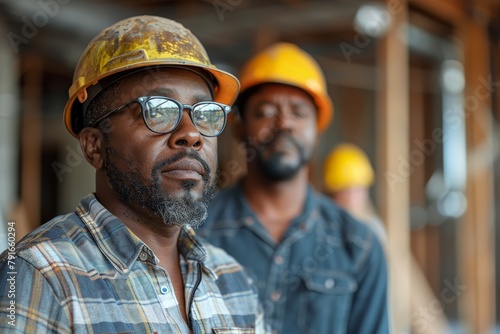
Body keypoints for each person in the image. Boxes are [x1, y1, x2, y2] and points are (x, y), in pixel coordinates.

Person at [0, 16, 265, 333]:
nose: (192, 134)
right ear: (94, 146)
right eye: (159, 110)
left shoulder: (233, 280)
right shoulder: (41, 275)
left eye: (205, 113)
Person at [200, 42, 389, 333]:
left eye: (299, 113)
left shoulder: (359, 246)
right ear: (239, 126)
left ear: (317, 128)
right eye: (265, 111)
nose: (283, 122)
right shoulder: (197, 233)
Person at [323, 143, 386, 242]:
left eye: (357, 190)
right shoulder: (322, 229)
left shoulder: (373, 229)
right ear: (332, 193)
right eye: (345, 191)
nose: (352, 198)